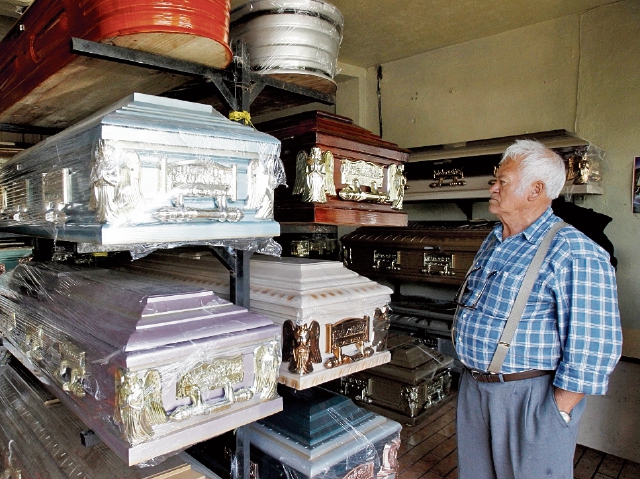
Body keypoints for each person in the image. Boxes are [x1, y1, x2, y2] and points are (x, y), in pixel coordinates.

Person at [453, 139, 622, 479]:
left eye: (503, 180)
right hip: (475, 389)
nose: (493, 186)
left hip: (531, 399)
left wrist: (556, 412)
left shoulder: (575, 250)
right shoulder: (495, 239)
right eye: (495, 179)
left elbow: (594, 347)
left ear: (536, 190)